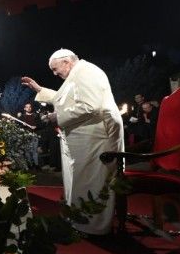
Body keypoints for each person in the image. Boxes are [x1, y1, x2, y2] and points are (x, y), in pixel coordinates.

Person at [22, 49, 124, 236]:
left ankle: (94, 228)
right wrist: (39, 90)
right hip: (84, 139)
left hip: (95, 140)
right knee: (81, 181)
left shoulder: (87, 72)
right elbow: (64, 98)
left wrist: (57, 117)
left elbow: (90, 106)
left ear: (67, 61)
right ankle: (80, 220)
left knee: (91, 182)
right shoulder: (77, 74)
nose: (54, 73)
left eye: (55, 69)